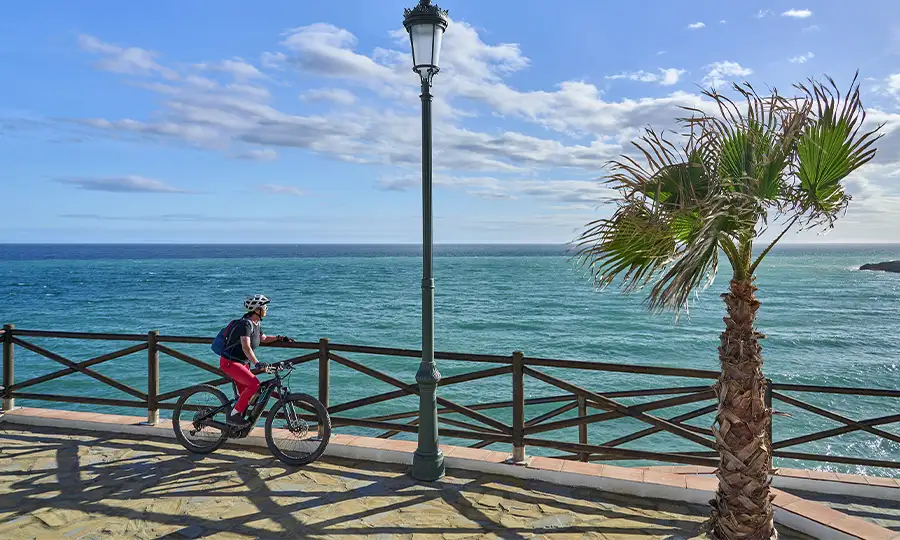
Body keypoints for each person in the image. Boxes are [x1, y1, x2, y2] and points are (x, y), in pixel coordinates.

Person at [219, 294, 293, 428]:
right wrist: (257, 363)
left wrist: (280, 338)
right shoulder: (245, 324)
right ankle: (233, 417)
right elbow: (246, 347)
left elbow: (263, 338)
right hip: (230, 363)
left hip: (242, 363)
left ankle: (235, 427)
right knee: (254, 385)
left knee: (248, 395)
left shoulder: (256, 323)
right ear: (257, 309)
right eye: (265, 307)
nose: (267, 309)